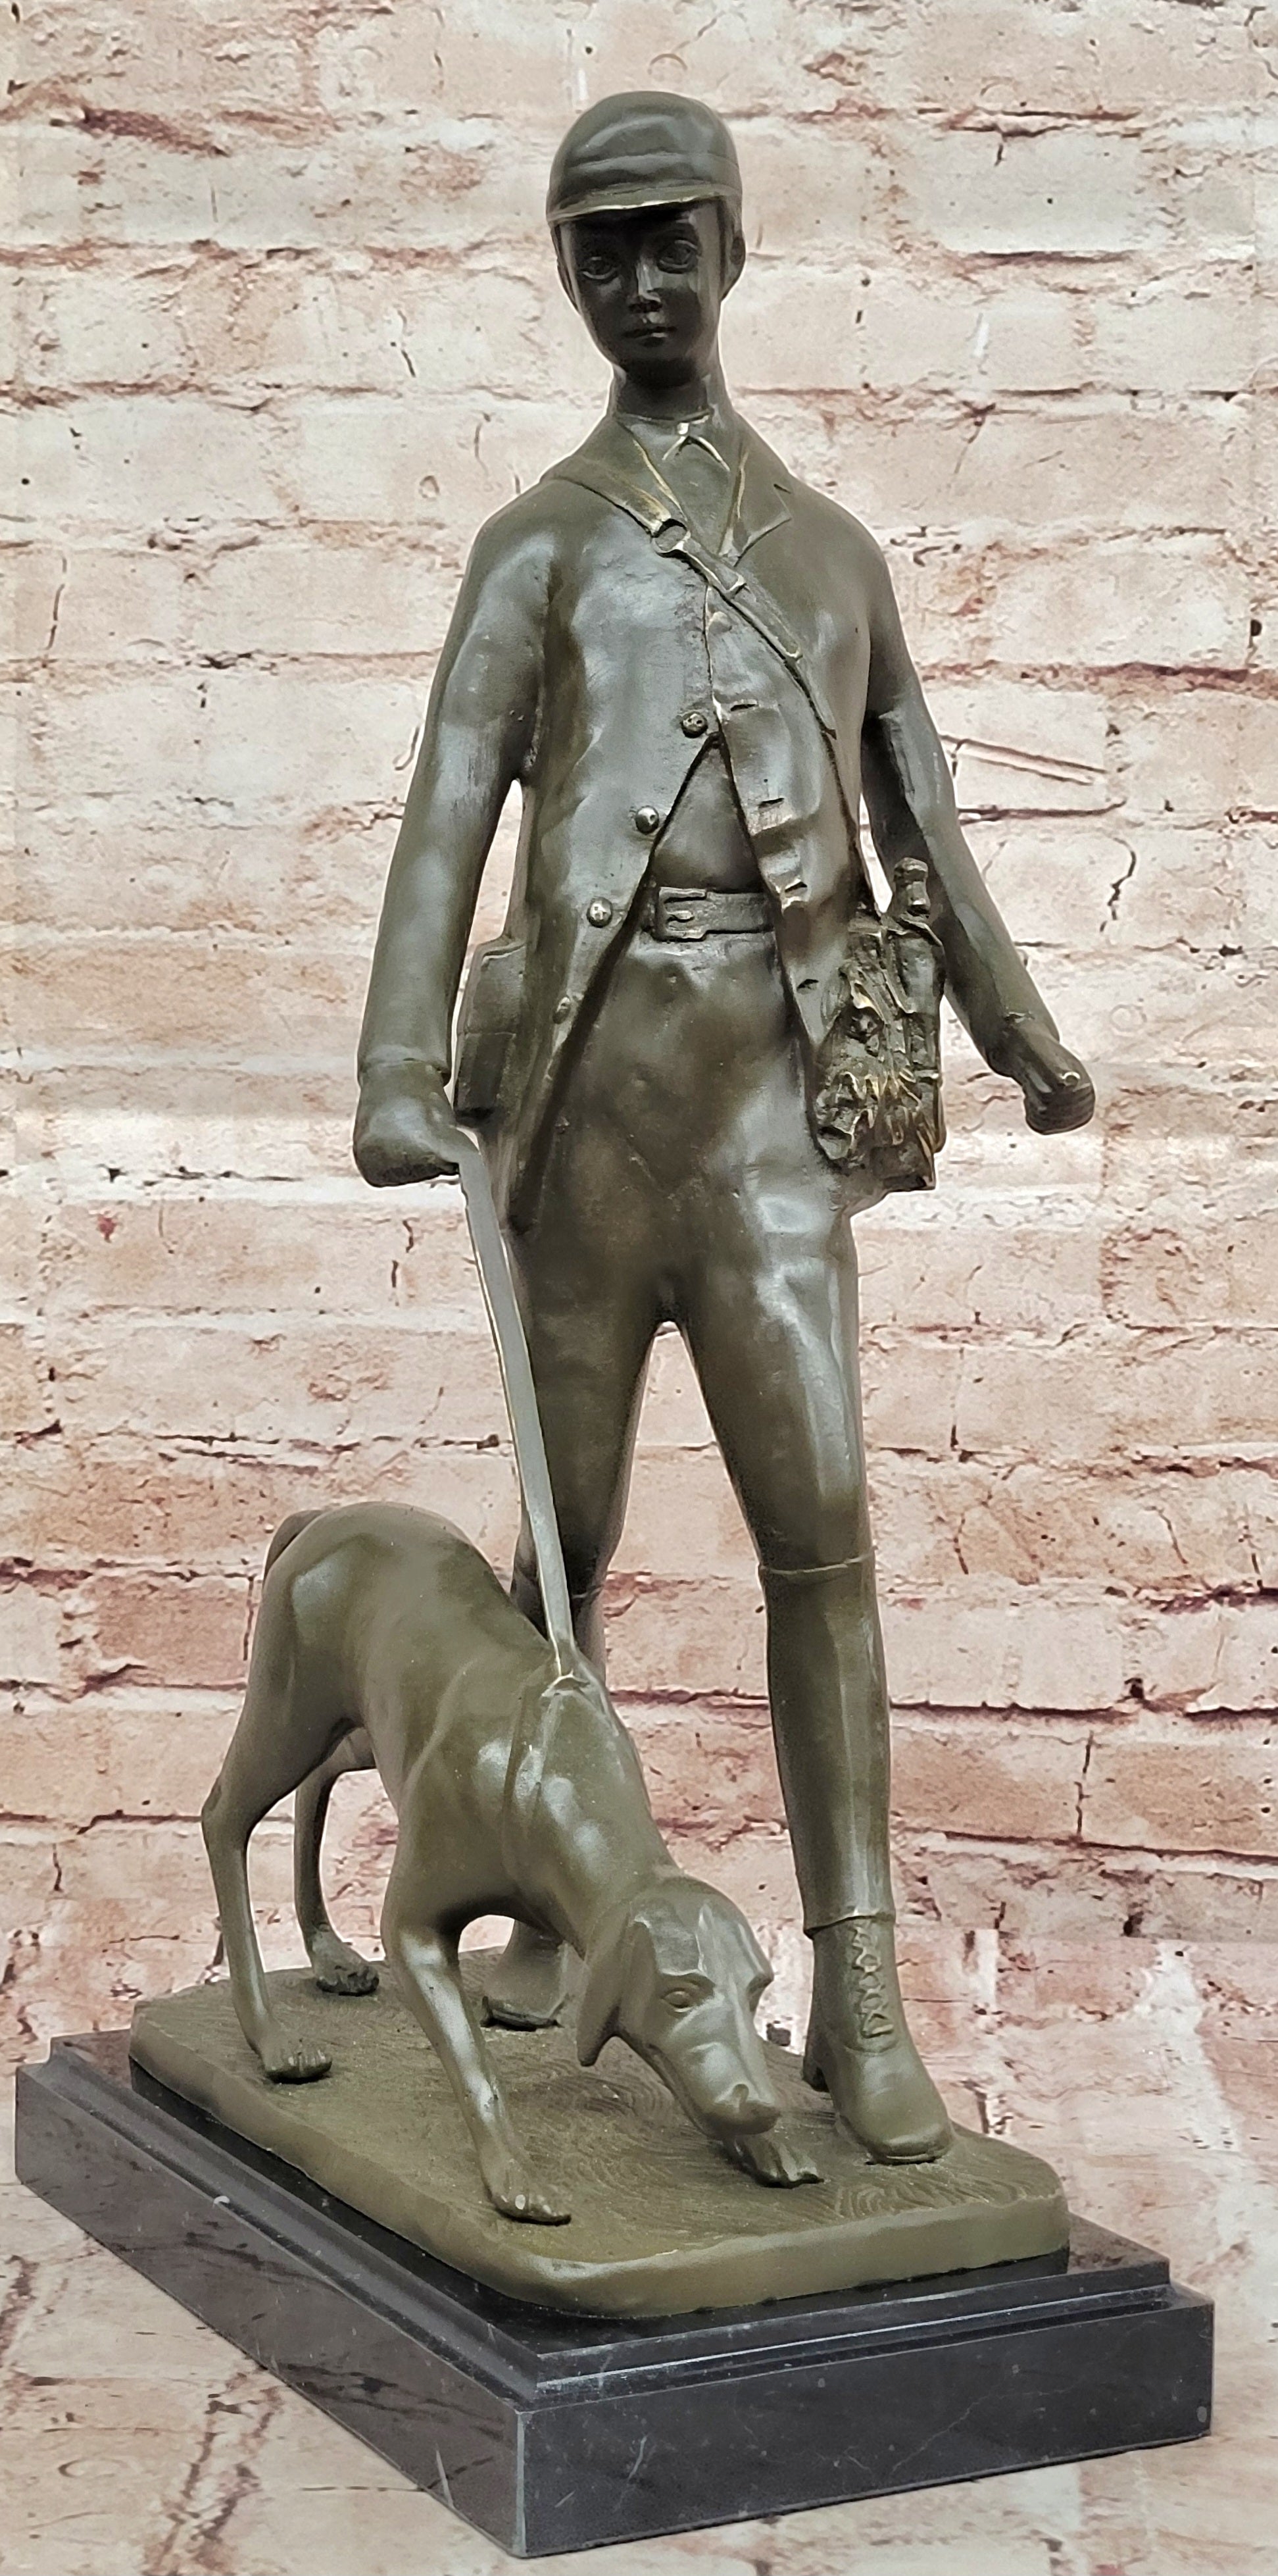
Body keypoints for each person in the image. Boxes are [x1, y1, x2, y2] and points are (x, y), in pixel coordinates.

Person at [353, 93, 1094, 2161]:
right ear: (566, 274)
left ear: (739, 249)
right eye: (601, 249)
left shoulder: (833, 557)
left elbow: (924, 821)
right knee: (566, 1541)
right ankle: (531, 1892)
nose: (642, 282)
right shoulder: (539, 547)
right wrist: (398, 1060)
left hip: (772, 1118)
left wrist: (1023, 1031)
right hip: (585, 1114)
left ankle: (856, 1980)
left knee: (820, 1522)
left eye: (674, 238)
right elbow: (448, 802)